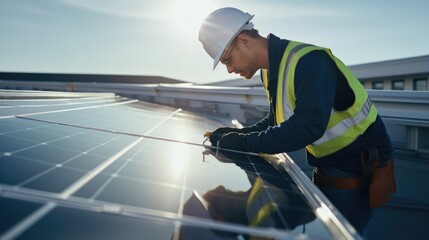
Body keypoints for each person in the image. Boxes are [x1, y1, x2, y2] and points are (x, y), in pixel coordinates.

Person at [198, 7, 396, 237]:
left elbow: (307, 126)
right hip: (327, 171)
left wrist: (244, 144)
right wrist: (237, 135)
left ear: (244, 41)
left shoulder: (309, 62)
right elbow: (277, 120)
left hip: (354, 175)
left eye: (227, 60)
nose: (230, 69)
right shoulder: (271, 69)